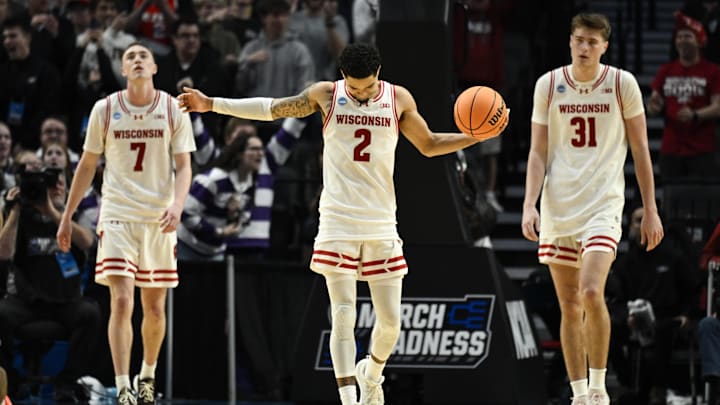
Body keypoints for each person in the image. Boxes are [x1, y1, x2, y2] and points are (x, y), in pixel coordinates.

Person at [178, 42, 487, 405]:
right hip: (338, 221)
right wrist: (211, 103)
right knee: (343, 313)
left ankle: (371, 373)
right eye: (354, 88)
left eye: (367, 87)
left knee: (391, 325)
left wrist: (476, 136)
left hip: (381, 223)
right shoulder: (326, 95)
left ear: (379, 75)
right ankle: (349, 400)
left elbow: (430, 144)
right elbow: (272, 109)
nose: (360, 94)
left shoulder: (398, 98)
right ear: (343, 77)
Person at [521, 13, 665, 405]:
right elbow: (537, 152)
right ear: (570, 41)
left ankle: (600, 388)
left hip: (603, 204)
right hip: (558, 205)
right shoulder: (548, 84)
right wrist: (529, 204)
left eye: (592, 42)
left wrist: (650, 208)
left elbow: (640, 150)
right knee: (568, 305)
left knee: (589, 291)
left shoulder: (622, 84)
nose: (584, 48)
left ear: (604, 46)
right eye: (579, 40)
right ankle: (579, 393)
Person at [56, 42, 196, 405]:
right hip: (117, 214)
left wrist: (178, 205)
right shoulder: (105, 109)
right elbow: (87, 166)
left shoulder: (171, 109)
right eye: (130, 56)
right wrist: (67, 216)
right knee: (120, 302)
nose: (136, 60)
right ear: (122, 70)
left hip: (158, 218)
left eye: (143, 56)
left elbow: (184, 166)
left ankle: (146, 375)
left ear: (153, 68)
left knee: (154, 308)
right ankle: (122, 387)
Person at [0, 151, 101, 403]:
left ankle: (66, 383)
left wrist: (53, 211)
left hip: (65, 303)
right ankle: (11, 380)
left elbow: (88, 242)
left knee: (91, 314)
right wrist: (15, 211)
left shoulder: (72, 216)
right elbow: (3, 254)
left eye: (58, 186)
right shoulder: (22, 217)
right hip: (26, 302)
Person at [606, 206, 700, 404]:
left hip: (666, 319)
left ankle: (658, 389)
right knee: (605, 330)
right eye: (637, 221)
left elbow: (692, 289)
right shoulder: (624, 263)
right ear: (630, 226)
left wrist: (686, 314)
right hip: (634, 321)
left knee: (662, 330)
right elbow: (615, 300)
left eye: (647, 219)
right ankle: (627, 383)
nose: (642, 226)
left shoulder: (673, 257)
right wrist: (625, 317)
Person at [646, 11, 720, 182]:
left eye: (687, 36)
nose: (682, 40)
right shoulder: (666, 70)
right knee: (672, 200)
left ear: (699, 41)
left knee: (703, 202)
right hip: (671, 148)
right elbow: (654, 103)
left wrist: (695, 115)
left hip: (702, 149)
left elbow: (718, 107)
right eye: (679, 37)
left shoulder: (713, 71)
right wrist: (653, 107)